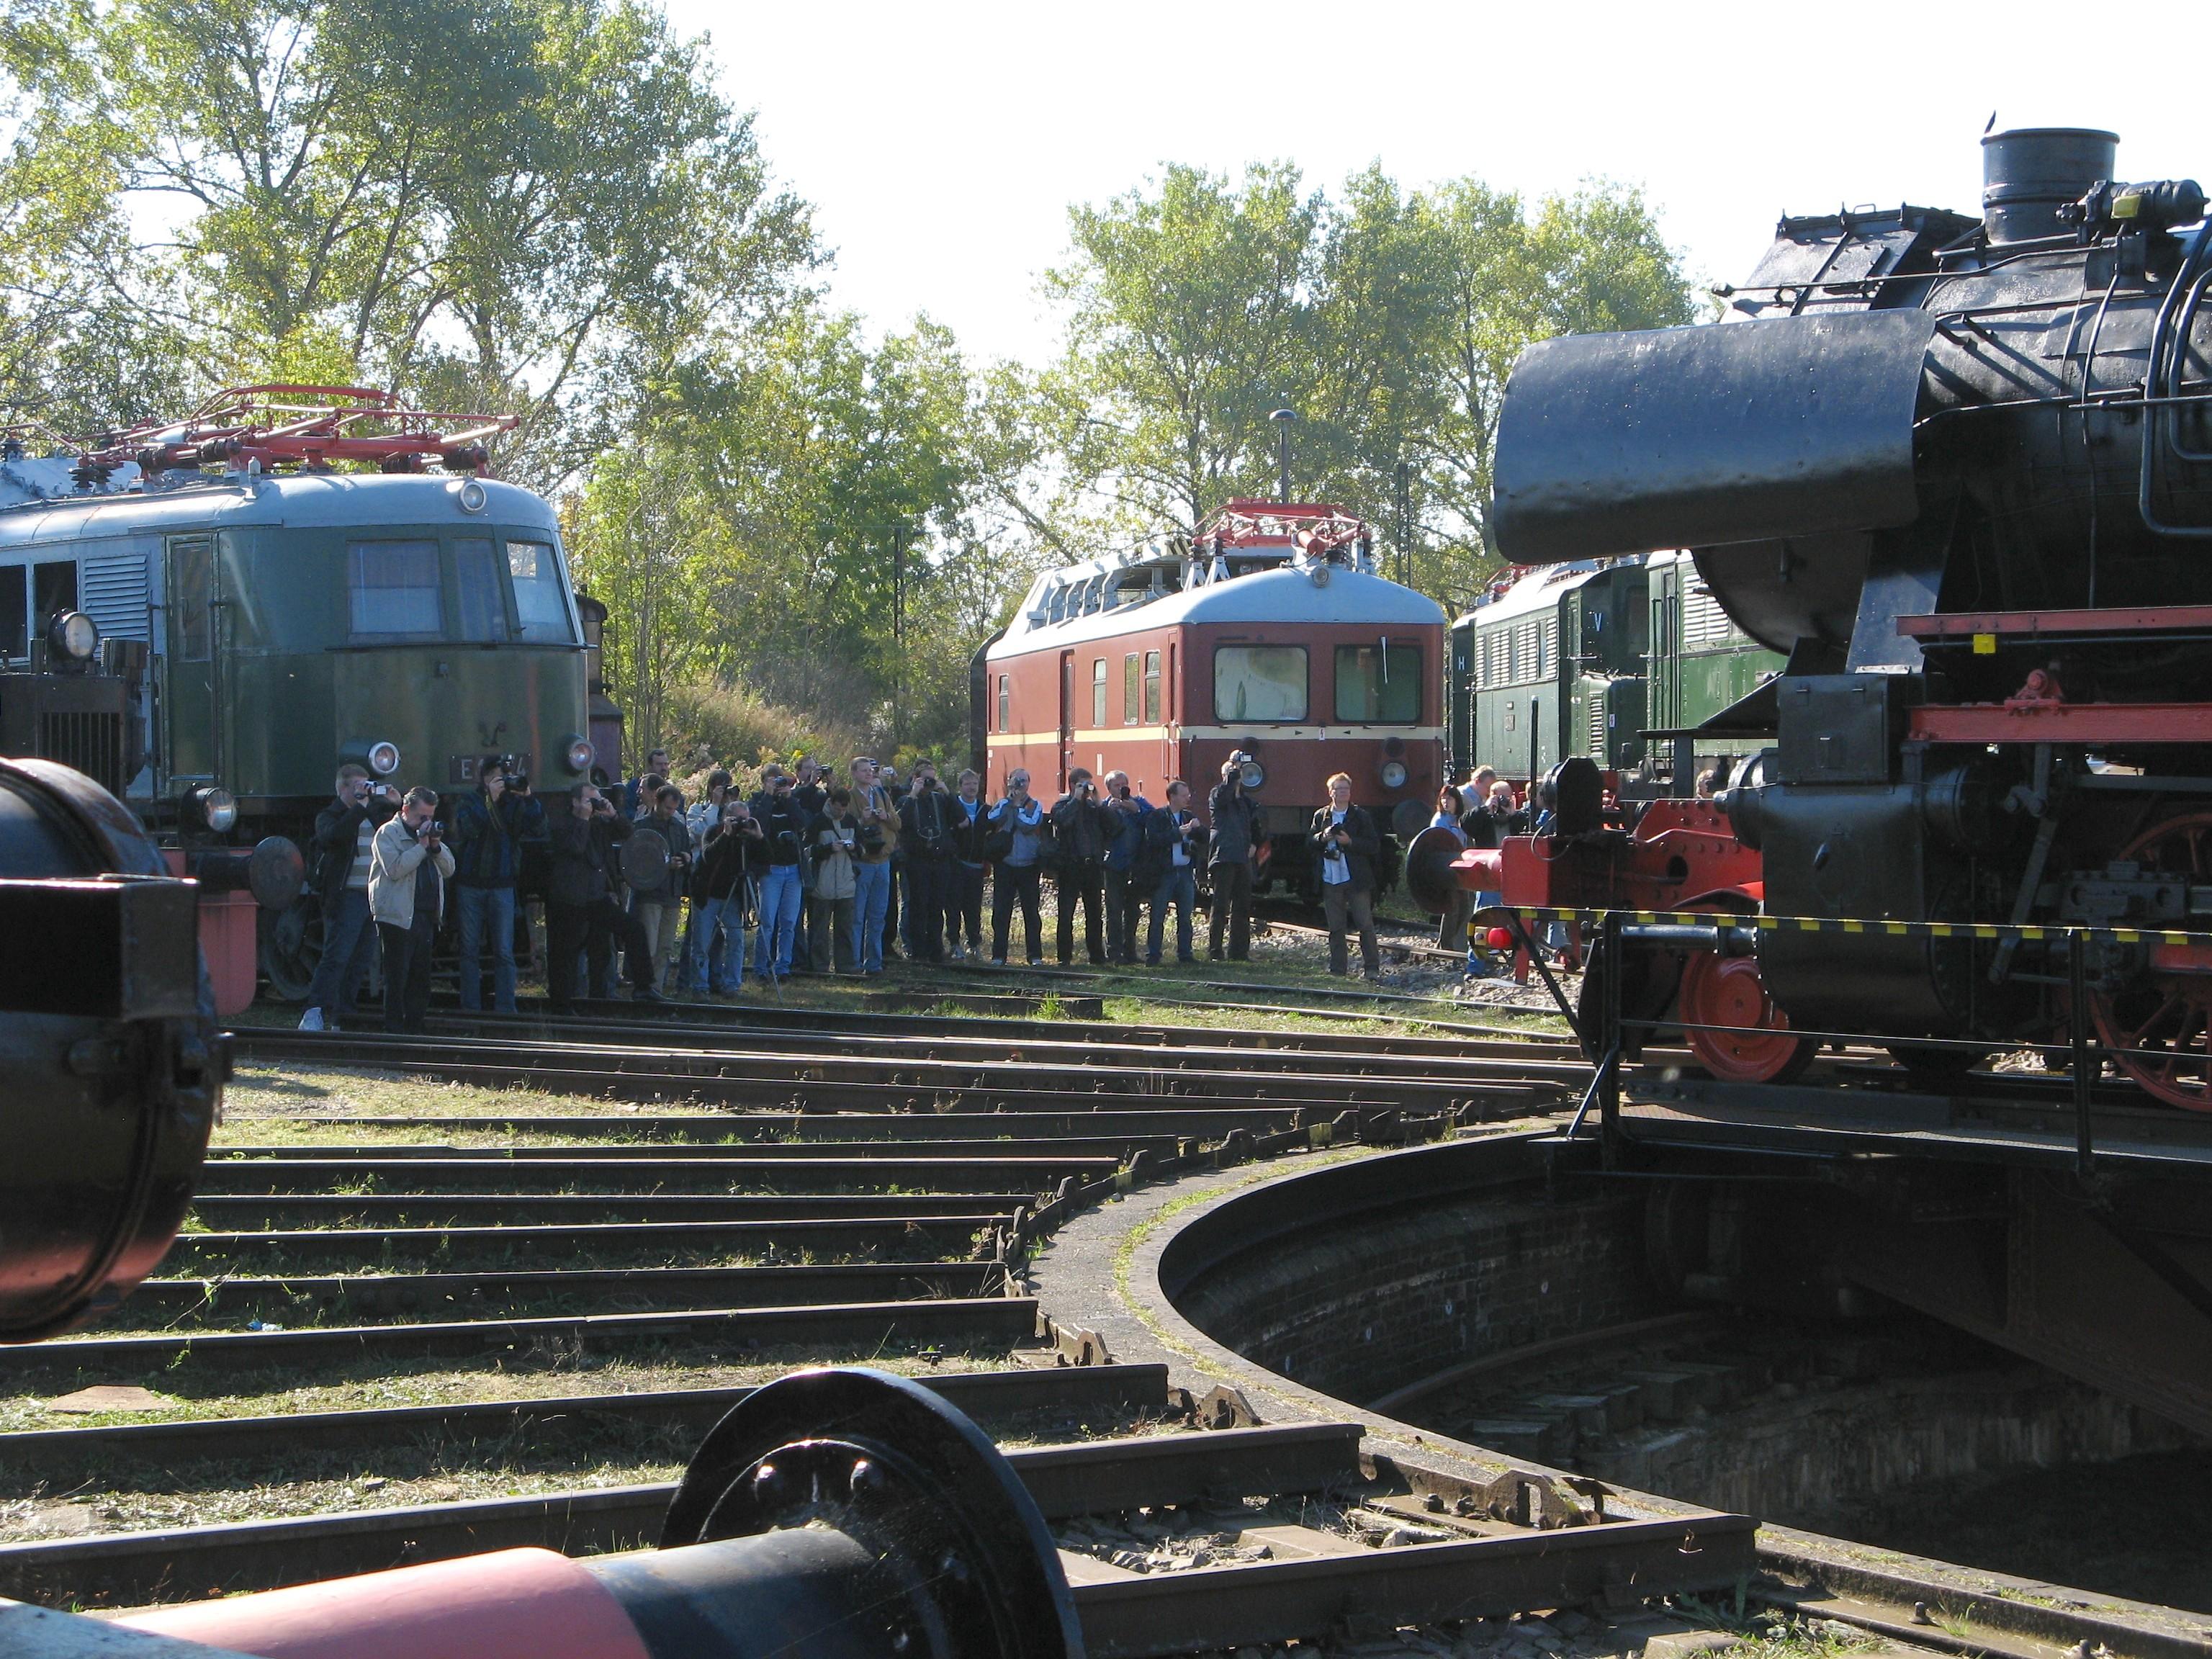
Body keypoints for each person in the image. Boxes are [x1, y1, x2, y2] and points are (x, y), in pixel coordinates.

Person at [298, 764, 400, 1030]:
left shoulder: (371, 814)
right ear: (344, 788)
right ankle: (314, 1011)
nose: (365, 791)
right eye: (359, 786)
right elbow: (335, 836)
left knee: (361, 959)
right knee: (337, 956)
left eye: (367, 785)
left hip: (371, 897)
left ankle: (344, 1016)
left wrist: (396, 806)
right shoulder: (329, 816)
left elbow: (395, 837)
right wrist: (360, 807)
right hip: (345, 897)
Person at [547, 782, 660, 1010]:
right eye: (590, 800)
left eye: (597, 799)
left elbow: (629, 834)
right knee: (565, 954)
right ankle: (562, 1006)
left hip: (596, 898)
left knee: (631, 931)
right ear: (576, 802)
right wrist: (582, 819)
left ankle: (642, 987)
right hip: (569, 900)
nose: (594, 805)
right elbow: (576, 848)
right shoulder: (562, 823)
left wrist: (613, 814)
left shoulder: (599, 824)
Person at [447, 756, 545, 1015]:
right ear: (484, 778)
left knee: (504, 950)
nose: (499, 781)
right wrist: (490, 798)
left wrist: (528, 796)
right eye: (494, 776)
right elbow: (470, 829)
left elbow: (538, 824)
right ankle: (470, 1007)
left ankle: (506, 1007)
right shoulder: (469, 801)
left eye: (502, 776)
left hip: (502, 884)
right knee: (469, 950)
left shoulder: (513, 802)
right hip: (471, 884)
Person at [369, 785, 455, 1033]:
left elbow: (449, 869)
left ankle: (415, 1028)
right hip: (397, 916)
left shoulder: (428, 837)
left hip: (425, 916)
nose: (427, 822)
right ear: (406, 810)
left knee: (421, 979)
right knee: (397, 978)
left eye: (431, 816)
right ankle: (394, 1030)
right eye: (422, 817)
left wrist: (435, 846)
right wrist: (421, 846)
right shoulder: (388, 833)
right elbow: (395, 869)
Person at [687, 770, 760, 997]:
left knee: (736, 940)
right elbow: (707, 855)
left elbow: (765, 858)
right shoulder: (709, 824)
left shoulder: (744, 836)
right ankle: (699, 986)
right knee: (701, 943)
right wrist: (725, 831)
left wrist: (758, 835)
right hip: (707, 894)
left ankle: (732, 985)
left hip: (731, 897)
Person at [1312, 772, 1382, 979]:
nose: (1343, 793)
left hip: (1356, 879)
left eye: (1346, 789)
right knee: (1336, 927)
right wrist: (1322, 837)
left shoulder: (1361, 816)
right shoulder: (1321, 816)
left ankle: (1371, 968)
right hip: (1330, 877)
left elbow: (1373, 845)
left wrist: (1350, 842)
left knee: (1365, 924)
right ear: (1331, 792)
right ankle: (1338, 970)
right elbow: (1310, 842)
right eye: (1339, 789)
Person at [630, 783, 693, 994]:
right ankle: (643, 986)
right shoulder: (642, 827)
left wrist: (686, 859)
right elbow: (637, 861)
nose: (670, 812)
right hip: (650, 893)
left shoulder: (678, 827)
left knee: (666, 946)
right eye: (667, 808)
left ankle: (656, 988)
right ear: (657, 802)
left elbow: (686, 850)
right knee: (649, 944)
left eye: (674, 809)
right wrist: (666, 866)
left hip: (672, 893)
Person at [750, 765, 809, 984]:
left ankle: (783, 966)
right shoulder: (757, 800)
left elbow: (802, 824)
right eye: (773, 781)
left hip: (793, 869)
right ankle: (761, 968)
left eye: (780, 780)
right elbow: (759, 825)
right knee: (767, 921)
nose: (777, 784)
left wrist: (789, 799)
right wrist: (768, 796)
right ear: (764, 781)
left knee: (789, 922)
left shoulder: (790, 801)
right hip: (770, 869)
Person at [1050, 766, 1113, 966]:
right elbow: (1062, 822)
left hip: (1092, 865)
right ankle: (1064, 956)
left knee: (1095, 913)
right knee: (1066, 913)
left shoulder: (1094, 808)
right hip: (1071, 865)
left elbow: (1114, 827)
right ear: (1071, 785)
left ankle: (1096, 955)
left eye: (1088, 784)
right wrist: (1076, 799)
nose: (1086, 789)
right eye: (1082, 785)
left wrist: (1100, 803)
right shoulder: (1062, 805)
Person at [986, 768, 1046, 966]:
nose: (1019, 784)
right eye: (1015, 780)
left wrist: (1018, 807)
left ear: (1029, 783)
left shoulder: (1035, 805)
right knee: (1002, 912)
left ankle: (1035, 955)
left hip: (1029, 865)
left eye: (1023, 780)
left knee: (1031, 912)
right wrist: (1010, 803)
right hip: (1005, 864)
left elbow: (1029, 824)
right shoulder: (1003, 803)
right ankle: (998, 955)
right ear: (1009, 782)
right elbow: (992, 818)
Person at [897, 758, 952, 965]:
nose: (929, 783)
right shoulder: (906, 800)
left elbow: (960, 818)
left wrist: (946, 791)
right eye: (925, 779)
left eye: (932, 779)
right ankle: (918, 950)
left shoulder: (939, 800)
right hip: (917, 861)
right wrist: (913, 793)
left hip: (939, 861)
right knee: (918, 907)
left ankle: (936, 949)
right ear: (915, 779)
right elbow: (900, 823)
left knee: (937, 908)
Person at [848, 757, 899, 976]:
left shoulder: (881, 795)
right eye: (863, 771)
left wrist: (886, 816)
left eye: (870, 770)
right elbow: (844, 826)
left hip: (883, 862)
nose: (868, 774)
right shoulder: (850, 798)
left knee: (878, 916)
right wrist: (861, 820)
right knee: (858, 916)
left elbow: (898, 824)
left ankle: (874, 963)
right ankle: (855, 962)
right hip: (863, 862)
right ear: (854, 774)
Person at [1143, 778, 1202, 966]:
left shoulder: (1187, 816)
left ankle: (1185, 954)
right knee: (1158, 913)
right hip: (1165, 872)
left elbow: (1204, 838)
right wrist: (1178, 833)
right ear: (1173, 797)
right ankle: (1153, 955)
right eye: (1184, 795)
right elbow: (1153, 840)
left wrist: (1198, 829)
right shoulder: (1158, 816)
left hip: (1184, 870)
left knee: (1185, 915)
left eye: (1188, 795)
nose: (1188, 799)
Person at [1207, 755, 1261, 962]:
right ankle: (1215, 950)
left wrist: (1255, 843)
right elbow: (1222, 797)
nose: (1238, 777)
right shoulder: (1217, 795)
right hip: (1224, 855)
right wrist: (1232, 773)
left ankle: (1238, 951)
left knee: (1242, 905)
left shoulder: (1245, 802)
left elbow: (1255, 823)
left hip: (1242, 857)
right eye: (1233, 773)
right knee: (1220, 905)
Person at [1098, 769, 1153, 966]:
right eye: (1116, 785)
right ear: (1109, 788)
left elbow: (1154, 820)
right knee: (1114, 909)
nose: (1121, 789)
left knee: (1132, 911)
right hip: (1113, 865)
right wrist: (1109, 812)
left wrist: (1136, 810)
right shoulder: (1104, 807)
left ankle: (1130, 951)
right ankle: (1114, 952)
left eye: (1124, 784)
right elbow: (1098, 829)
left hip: (1135, 865)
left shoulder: (1139, 803)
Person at [807, 786, 862, 974]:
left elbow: (863, 850)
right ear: (831, 803)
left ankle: (846, 966)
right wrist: (829, 848)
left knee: (845, 929)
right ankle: (819, 966)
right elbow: (807, 850)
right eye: (838, 808)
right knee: (820, 929)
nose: (841, 812)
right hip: (823, 884)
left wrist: (854, 847)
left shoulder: (852, 821)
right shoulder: (818, 821)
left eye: (844, 809)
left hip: (846, 884)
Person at [944, 768, 989, 962]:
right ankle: (954, 943)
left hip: (976, 866)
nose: (972, 787)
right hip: (956, 864)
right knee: (953, 906)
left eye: (975, 784)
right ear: (960, 786)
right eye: (968, 784)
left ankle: (974, 944)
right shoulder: (952, 807)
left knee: (973, 908)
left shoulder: (985, 809)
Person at [1429, 784, 1474, 952]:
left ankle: (1451, 942)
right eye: (1443, 798)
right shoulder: (1440, 820)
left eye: (1450, 798)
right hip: (1447, 867)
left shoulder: (1462, 819)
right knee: (1452, 907)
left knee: (1464, 909)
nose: (1446, 802)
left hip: (1462, 867)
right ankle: (1445, 945)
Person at [791, 757, 827, 967]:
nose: (813, 773)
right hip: (798, 856)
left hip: (819, 856)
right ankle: (798, 960)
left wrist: (831, 786)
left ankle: (816, 961)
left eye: (816, 769)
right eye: (808, 769)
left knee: (818, 912)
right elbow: (794, 804)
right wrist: (811, 784)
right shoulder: (791, 793)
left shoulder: (820, 796)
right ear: (798, 773)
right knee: (796, 912)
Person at [622, 747, 671, 819]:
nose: (663, 768)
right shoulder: (635, 785)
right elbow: (627, 811)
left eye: (666, 764)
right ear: (650, 766)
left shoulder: (670, 790)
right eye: (659, 764)